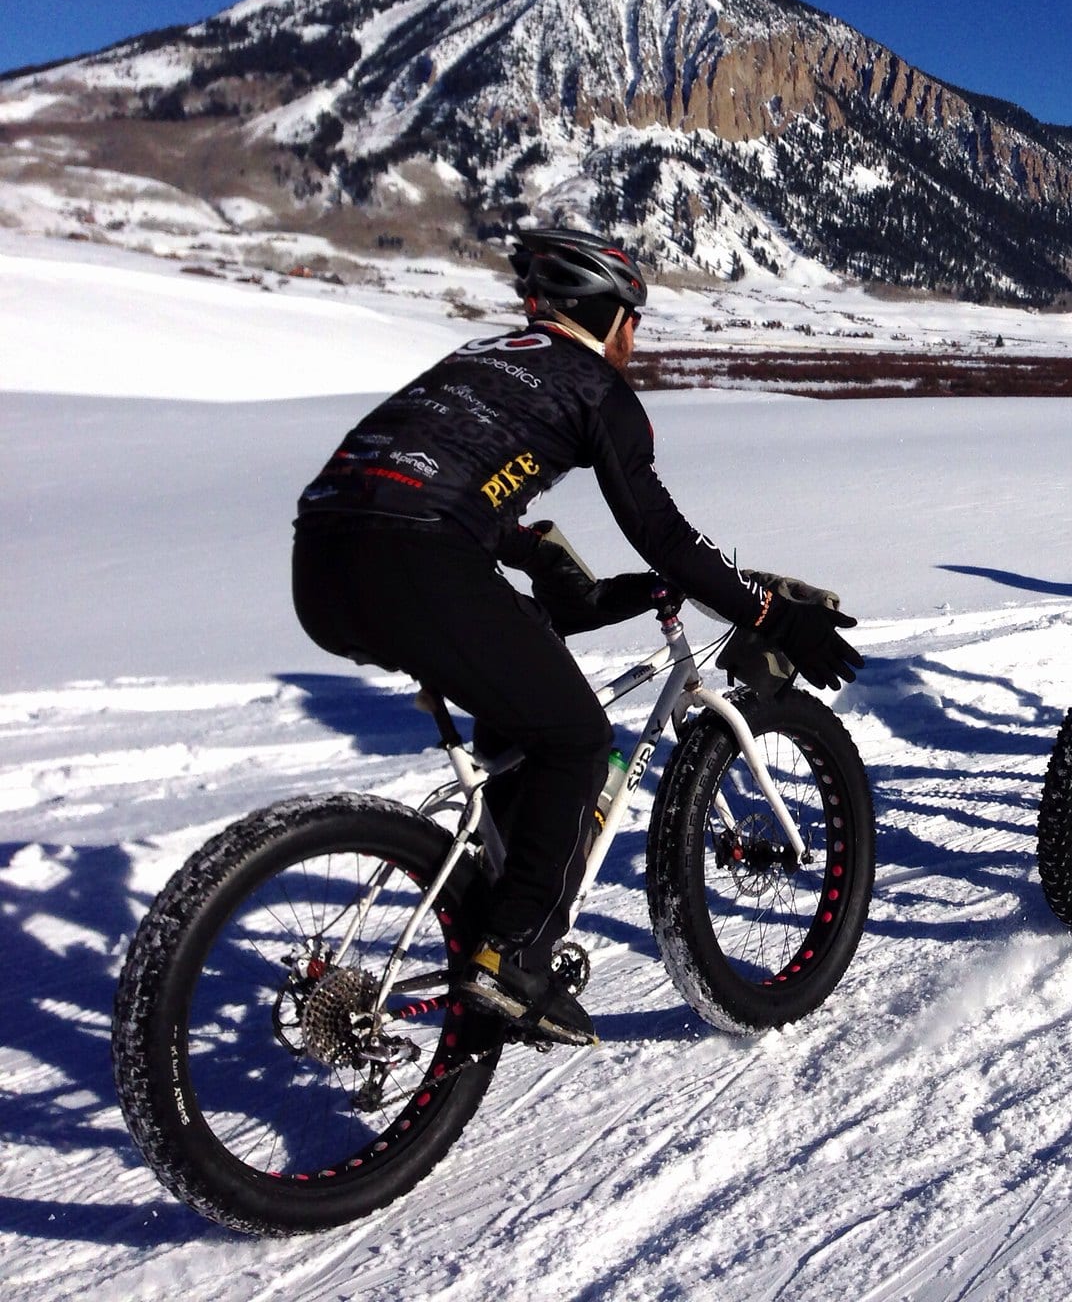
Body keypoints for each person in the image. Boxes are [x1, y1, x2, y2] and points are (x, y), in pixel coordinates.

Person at [293, 228, 862, 1045]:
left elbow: (412, 476)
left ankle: (496, 887)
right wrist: (773, 615)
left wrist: (528, 551)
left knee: (524, 686)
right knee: (579, 738)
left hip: (320, 561)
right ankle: (509, 955)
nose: (636, 339)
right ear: (614, 320)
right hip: (421, 562)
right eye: (636, 320)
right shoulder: (597, 389)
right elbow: (661, 536)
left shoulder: (479, 357)